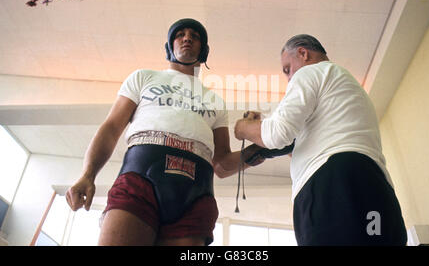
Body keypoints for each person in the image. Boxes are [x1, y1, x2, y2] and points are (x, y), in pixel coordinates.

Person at [65, 18, 259, 246]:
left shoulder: (216, 101)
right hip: (139, 178)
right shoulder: (143, 77)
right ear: (169, 45)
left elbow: (223, 164)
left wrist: (264, 148)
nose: (187, 38)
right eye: (180, 34)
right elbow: (111, 128)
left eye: (194, 36)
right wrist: (88, 175)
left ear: (204, 50)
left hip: (196, 193)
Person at [234, 34, 407, 246]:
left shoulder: (310, 72)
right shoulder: (349, 88)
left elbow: (277, 134)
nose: (289, 78)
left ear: (303, 54)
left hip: (331, 186)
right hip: (376, 189)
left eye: (287, 69)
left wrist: (243, 129)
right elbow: (308, 140)